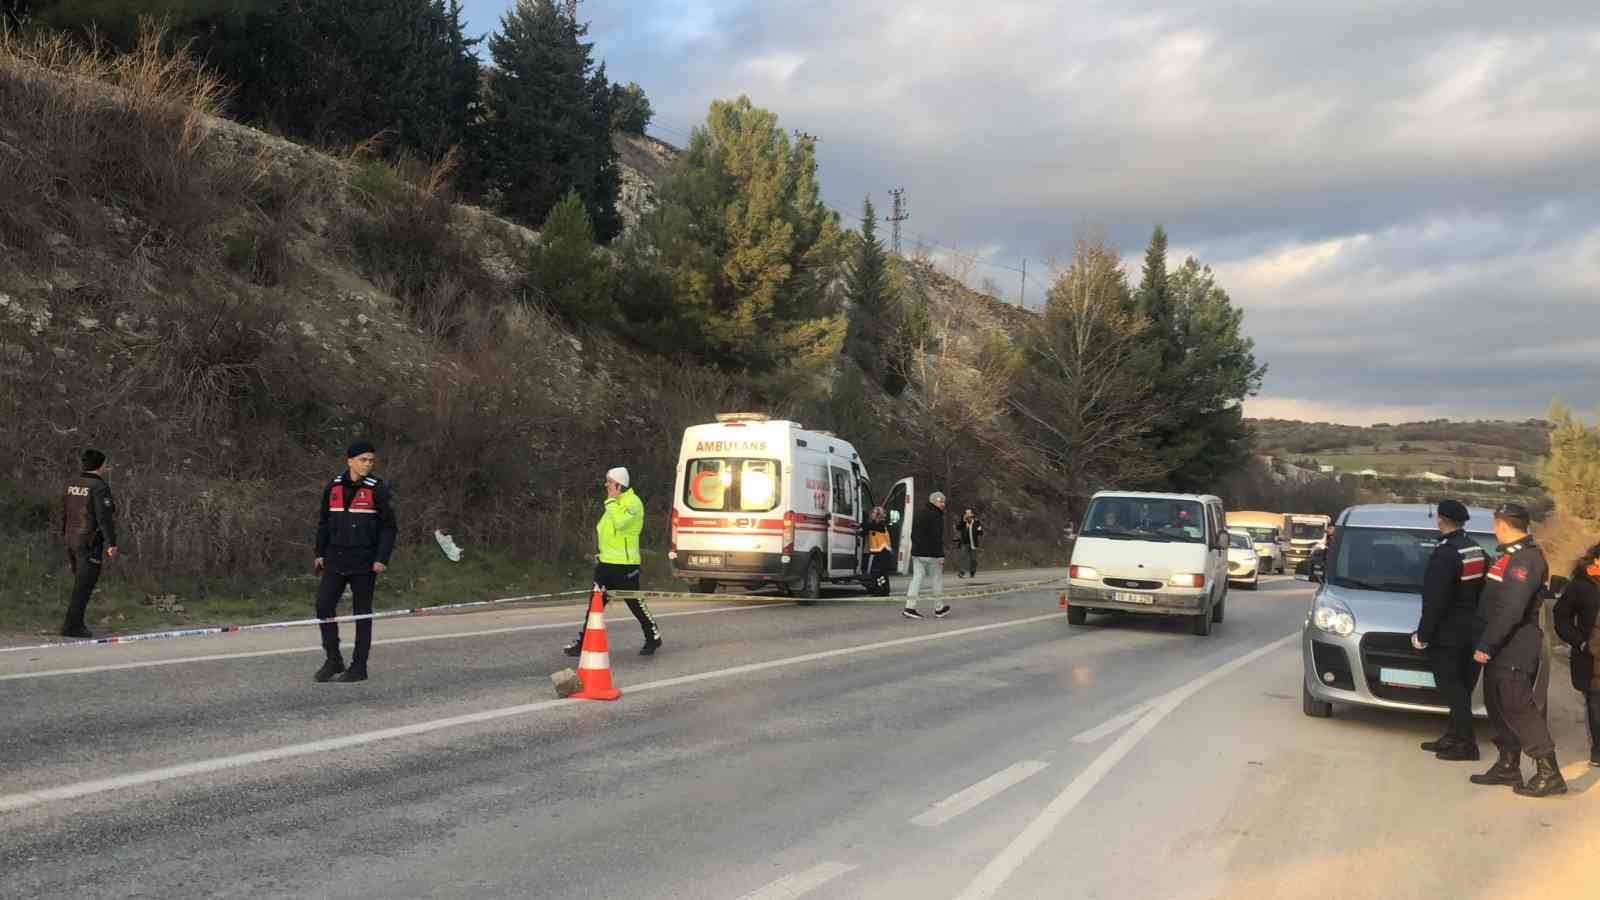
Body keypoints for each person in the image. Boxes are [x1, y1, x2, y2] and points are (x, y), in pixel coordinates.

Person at [1468, 503, 1565, 796]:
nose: (1494, 529)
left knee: (1518, 707)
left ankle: (1550, 773)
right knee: (1497, 706)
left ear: (1502, 525)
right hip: (1502, 646)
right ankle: (1508, 764)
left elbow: (1511, 609)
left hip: (1514, 646)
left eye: (1495, 524)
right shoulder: (1508, 557)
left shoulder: (1526, 560)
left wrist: (1487, 644)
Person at [313, 441, 398, 683]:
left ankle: (359, 667)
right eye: (363, 459)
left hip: (365, 561)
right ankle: (333, 659)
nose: (368, 464)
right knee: (323, 606)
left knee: (361, 614)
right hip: (335, 559)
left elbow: (389, 528)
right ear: (349, 461)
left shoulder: (378, 489)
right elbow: (323, 522)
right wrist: (320, 552)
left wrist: (382, 558)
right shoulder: (333, 486)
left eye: (371, 460)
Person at [1411, 500, 1488, 761]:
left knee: (1452, 689)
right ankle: (1454, 736)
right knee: (1462, 689)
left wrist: (1423, 635)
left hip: (1448, 635)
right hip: (1472, 630)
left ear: (1441, 520)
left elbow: (1435, 600)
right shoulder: (1474, 549)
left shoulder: (1445, 553)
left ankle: (1466, 745)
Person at [566, 467, 661, 656]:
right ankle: (584, 642)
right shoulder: (613, 504)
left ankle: (653, 636)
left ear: (619, 485)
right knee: (595, 605)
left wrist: (610, 501)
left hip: (626, 565)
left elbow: (619, 523)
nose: (606, 484)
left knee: (635, 603)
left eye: (609, 481)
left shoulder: (633, 503)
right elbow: (604, 529)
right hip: (606, 564)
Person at [60, 448, 117, 639]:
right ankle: (72, 626)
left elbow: (65, 511)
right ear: (101, 466)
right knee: (84, 585)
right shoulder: (99, 487)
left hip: (71, 539)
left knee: (80, 582)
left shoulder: (71, 483)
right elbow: (104, 517)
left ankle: (74, 623)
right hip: (89, 541)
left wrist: (64, 534)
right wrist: (111, 543)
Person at [1552, 542, 1600, 767]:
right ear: (1596, 560)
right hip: (1592, 659)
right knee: (1596, 704)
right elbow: (1561, 616)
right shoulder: (1581, 586)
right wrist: (1580, 643)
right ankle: (1598, 750)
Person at [903, 491, 949, 620]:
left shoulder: (918, 513)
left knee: (916, 579)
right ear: (933, 501)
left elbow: (913, 533)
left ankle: (909, 607)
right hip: (932, 554)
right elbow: (936, 537)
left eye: (943, 502)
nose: (943, 504)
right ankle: (939, 608)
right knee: (937, 580)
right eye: (941, 501)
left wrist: (916, 548)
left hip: (918, 553)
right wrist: (940, 555)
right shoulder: (936, 516)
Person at [863, 506, 894, 597]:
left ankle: (879, 590)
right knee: (882, 573)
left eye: (874, 513)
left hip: (881, 552)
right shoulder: (877, 524)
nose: (872, 515)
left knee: (876, 573)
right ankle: (885, 589)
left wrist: (861, 525)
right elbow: (866, 531)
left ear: (878, 515)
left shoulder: (881, 524)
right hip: (881, 552)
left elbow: (869, 526)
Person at [955, 508, 984, 579]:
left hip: (973, 543)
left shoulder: (976, 522)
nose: (968, 514)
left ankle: (972, 572)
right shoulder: (962, 521)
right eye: (966, 513)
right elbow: (958, 528)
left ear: (972, 514)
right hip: (965, 543)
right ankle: (962, 572)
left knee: (973, 559)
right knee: (963, 557)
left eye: (969, 513)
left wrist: (979, 530)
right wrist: (964, 521)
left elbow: (981, 533)